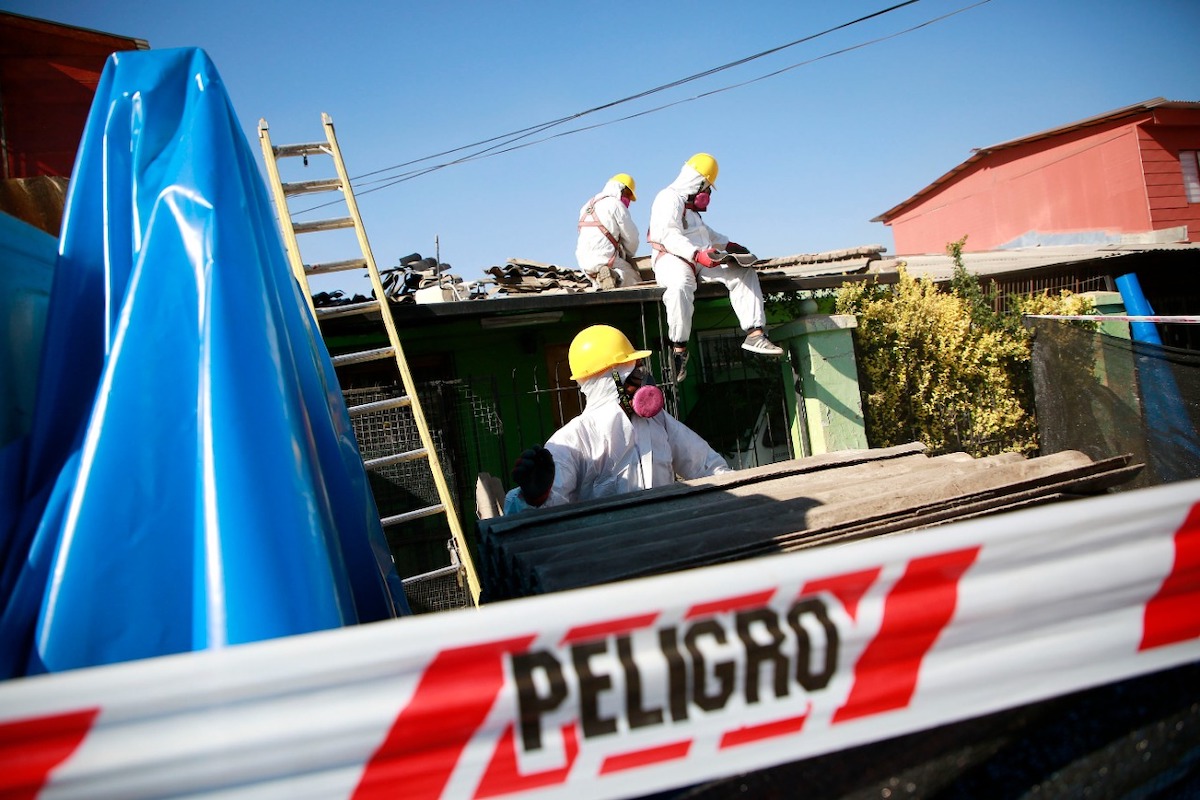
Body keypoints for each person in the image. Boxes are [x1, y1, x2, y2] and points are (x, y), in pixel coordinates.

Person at [506, 324, 731, 513]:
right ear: (611, 382)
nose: (645, 381)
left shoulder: (658, 421)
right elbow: (546, 514)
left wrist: (736, 497)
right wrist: (535, 499)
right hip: (609, 555)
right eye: (635, 374)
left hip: (667, 538)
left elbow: (705, 465)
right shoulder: (572, 441)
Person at [647, 153, 783, 382]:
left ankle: (755, 334)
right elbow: (668, 235)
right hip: (671, 258)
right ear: (699, 182)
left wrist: (730, 245)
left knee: (742, 272)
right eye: (708, 187)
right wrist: (696, 254)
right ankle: (679, 350)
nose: (708, 193)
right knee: (680, 286)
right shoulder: (667, 198)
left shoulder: (691, 210)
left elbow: (707, 234)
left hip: (699, 260)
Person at [576, 173, 641, 290]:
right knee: (634, 280)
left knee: (599, 288)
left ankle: (605, 278)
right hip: (607, 260)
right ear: (622, 189)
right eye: (628, 195)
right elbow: (632, 238)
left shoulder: (587, 206)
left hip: (584, 263)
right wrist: (629, 255)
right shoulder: (616, 204)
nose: (628, 201)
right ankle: (616, 276)